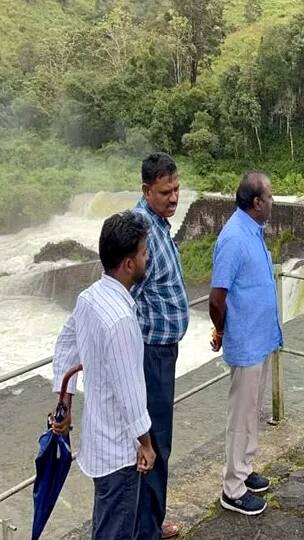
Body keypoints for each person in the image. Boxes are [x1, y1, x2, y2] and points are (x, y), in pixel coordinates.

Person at [52, 211, 156, 540]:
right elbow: (131, 393)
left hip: (97, 441)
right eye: (143, 252)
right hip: (119, 452)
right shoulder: (120, 320)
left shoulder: (89, 298)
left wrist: (65, 406)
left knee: (105, 524)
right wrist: (146, 444)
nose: (147, 257)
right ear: (128, 263)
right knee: (115, 530)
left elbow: (66, 348)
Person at [209, 171, 282, 516]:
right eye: (269, 196)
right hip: (245, 340)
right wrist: (222, 331)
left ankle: (245, 469)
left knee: (252, 410)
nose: (272, 201)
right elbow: (216, 297)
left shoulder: (254, 231)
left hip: (261, 337)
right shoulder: (234, 238)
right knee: (240, 415)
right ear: (256, 203)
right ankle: (232, 489)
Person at [131, 152, 189, 540]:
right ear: (146, 190)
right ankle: (146, 530)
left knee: (158, 441)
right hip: (150, 354)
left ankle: (149, 522)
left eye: (177, 189)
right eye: (166, 192)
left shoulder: (159, 224)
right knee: (153, 443)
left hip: (162, 353)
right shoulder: (139, 232)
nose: (174, 198)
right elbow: (126, 295)